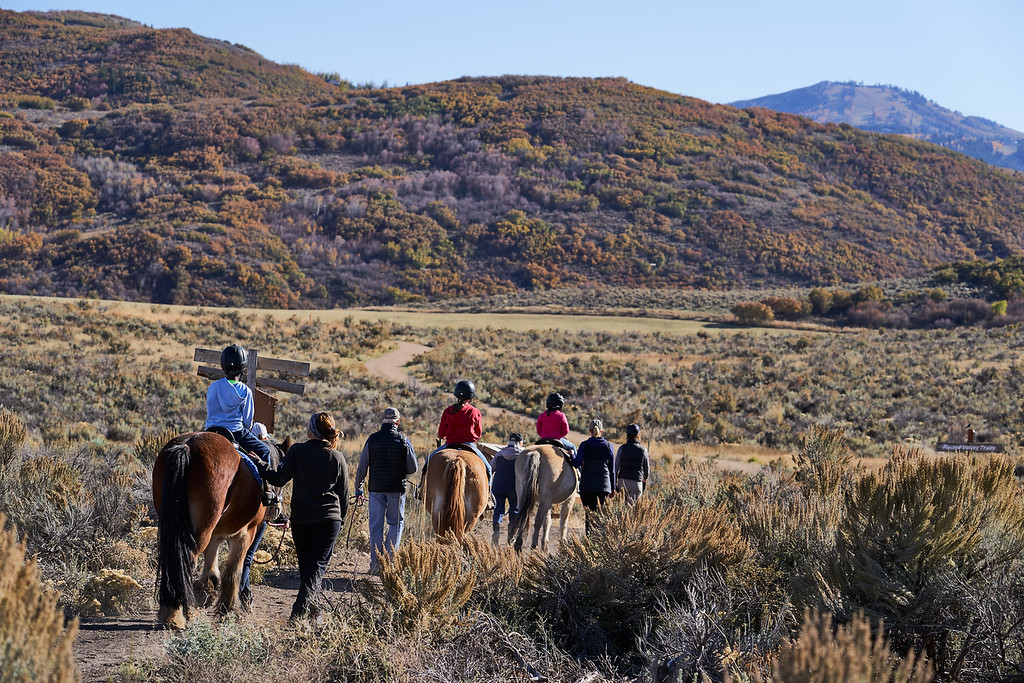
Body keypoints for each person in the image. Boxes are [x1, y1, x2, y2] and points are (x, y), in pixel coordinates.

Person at [256, 412, 348, 621]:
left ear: (313, 430)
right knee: (313, 569)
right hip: (329, 520)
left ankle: (298, 614)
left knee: (308, 567)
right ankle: (313, 613)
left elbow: (279, 479)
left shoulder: (298, 451)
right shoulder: (337, 458)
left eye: (309, 424)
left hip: (302, 520)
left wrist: (260, 465)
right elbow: (343, 497)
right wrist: (339, 523)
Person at [354, 407, 418, 574]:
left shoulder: (372, 439)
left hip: (375, 489)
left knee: (376, 526)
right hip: (396, 490)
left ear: (383, 421)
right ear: (397, 422)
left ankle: (375, 565)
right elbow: (413, 468)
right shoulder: (403, 440)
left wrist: (359, 488)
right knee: (396, 524)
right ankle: (389, 564)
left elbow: (361, 468)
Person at [204, 344, 272, 465]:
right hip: (236, 433)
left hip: (211, 431)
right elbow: (247, 422)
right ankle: (266, 482)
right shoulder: (245, 391)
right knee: (265, 451)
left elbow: (210, 411)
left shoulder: (212, 387)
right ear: (243, 367)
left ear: (223, 365)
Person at [239, 421, 276, 611]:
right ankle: (244, 593)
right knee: (248, 554)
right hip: (254, 513)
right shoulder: (260, 449)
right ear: (263, 438)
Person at [430, 379, 490, 477]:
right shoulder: (475, 412)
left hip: (449, 444)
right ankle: (489, 491)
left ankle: (420, 487)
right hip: (469, 445)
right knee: (488, 469)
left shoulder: (448, 411)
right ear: (471, 396)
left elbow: (441, 434)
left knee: (427, 465)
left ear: (456, 395)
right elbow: (478, 434)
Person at [573, 419, 615, 533]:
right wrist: (613, 488)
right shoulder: (608, 446)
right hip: (604, 486)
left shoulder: (584, 445)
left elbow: (576, 463)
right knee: (601, 517)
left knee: (589, 517)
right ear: (602, 431)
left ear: (589, 431)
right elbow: (612, 470)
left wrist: (572, 455)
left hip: (587, 486)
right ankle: (600, 543)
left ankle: (589, 542)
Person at [490, 432, 523, 544]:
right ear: (520, 443)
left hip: (498, 485)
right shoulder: (522, 456)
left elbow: (491, 468)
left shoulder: (499, 454)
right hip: (515, 487)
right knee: (514, 510)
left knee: (498, 509)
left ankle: (496, 529)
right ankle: (510, 537)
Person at [615, 423, 650, 502]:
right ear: (638, 435)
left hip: (622, 482)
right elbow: (647, 470)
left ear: (627, 435)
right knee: (632, 511)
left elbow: (616, 467)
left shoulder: (622, 448)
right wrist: (644, 482)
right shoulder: (643, 450)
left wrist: (615, 483)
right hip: (636, 483)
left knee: (622, 511)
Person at [536, 392, 576, 457]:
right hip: (557, 440)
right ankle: (577, 466)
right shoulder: (561, 416)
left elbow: (538, 430)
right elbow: (565, 431)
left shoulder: (542, 415)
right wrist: (559, 435)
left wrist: (545, 435)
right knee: (572, 447)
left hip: (543, 440)